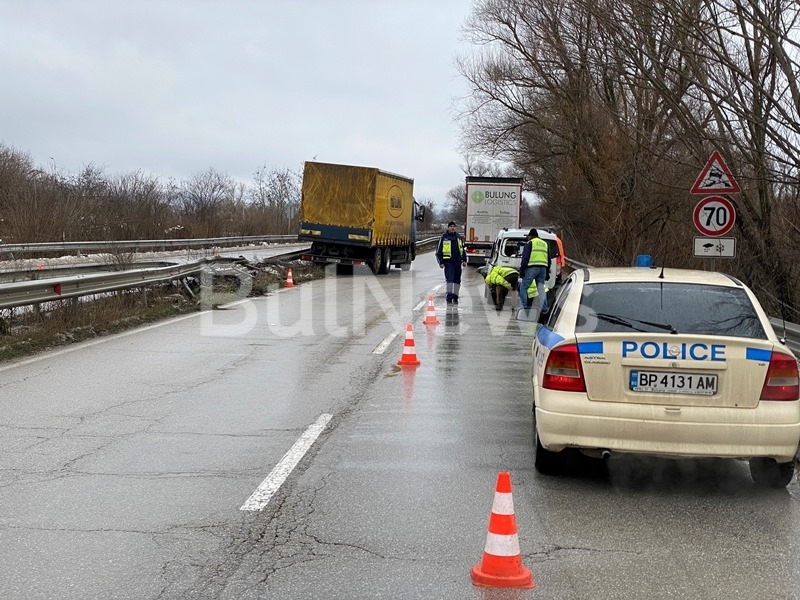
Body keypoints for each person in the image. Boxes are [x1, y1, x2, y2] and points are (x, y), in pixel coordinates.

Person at [518, 228, 550, 313]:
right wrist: (547, 271)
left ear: (530, 236)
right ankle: (544, 308)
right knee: (540, 288)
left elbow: (525, 258)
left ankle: (523, 307)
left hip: (532, 268)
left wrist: (522, 270)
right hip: (543, 268)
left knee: (524, 287)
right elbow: (548, 259)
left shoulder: (530, 243)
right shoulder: (545, 244)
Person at [435, 221, 467, 304]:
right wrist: (441, 262)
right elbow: (438, 252)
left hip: (457, 263)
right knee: (450, 281)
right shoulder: (444, 237)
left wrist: (464, 260)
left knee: (457, 281)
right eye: (451, 226)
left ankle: (455, 298)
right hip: (448, 263)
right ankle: (449, 299)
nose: (452, 228)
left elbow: (462, 250)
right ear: (448, 227)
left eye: (454, 226)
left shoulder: (458, 237)